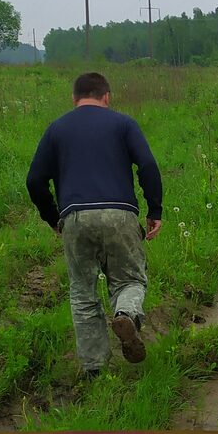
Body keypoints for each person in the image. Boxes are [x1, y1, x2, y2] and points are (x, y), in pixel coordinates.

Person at [26, 71, 163, 375]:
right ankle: (126, 312)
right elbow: (148, 165)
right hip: (120, 213)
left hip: (75, 216)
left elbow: (35, 180)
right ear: (107, 97)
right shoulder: (124, 123)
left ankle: (95, 371)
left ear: (74, 99)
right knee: (130, 281)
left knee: (83, 294)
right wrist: (155, 209)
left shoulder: (57, 128)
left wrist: (53, 218)